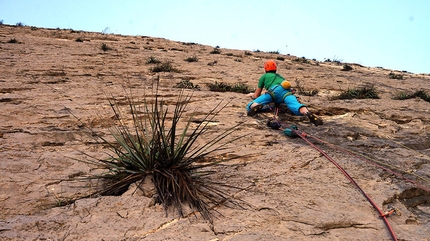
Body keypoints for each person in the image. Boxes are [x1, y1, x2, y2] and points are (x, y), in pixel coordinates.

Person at [246, 60, 323, 126]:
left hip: (273, 92)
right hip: (286, 92)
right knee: (295, 105)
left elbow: (256, 95)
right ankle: (306, 112)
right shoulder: (280, 76)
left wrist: (251, 95)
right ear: (275, 68)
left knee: (250, 105)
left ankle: (257, 105)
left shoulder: (264, 76)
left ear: (265, 68)